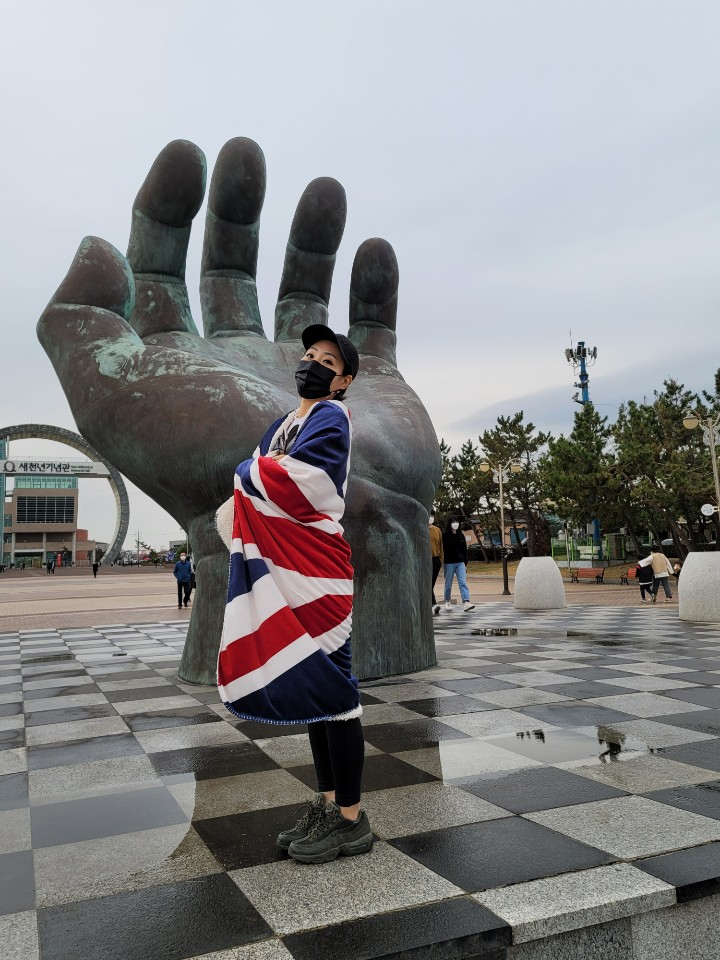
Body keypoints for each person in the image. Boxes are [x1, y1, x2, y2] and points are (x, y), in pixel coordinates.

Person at [216, 324, 372, 865]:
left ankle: (352, 818)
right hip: (288, 565)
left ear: (343, 379)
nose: (313, 362)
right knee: (314, 682)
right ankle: (330, 804)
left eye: (327, 360)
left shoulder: (332, 416)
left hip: (317, 570)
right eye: (309, 354)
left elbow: (302, 482)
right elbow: (263, 478)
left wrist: (246, 470)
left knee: (336, 687)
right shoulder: (282, 424)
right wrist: (254, 473)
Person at [441, 518, 475, 612]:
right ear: (450, 523)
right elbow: (442, 548)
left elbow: (464, 550)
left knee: (462, 582)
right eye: (453, 522)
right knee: (448, 584)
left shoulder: (461, 535)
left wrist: (465, 563)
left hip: (460, 562)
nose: (455, 524)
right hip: (449, 563)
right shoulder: (445, 535)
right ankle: (447, 601)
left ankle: (466, 602)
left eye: (457, 522)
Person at [429, 513, 443, 615]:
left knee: (430, 583)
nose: (431, 518)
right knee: (428, 584)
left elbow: (441, 545)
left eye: (432, 515)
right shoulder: (421, 528)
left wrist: (441, 559)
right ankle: (433, 604)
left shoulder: (437, 530)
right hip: (425, 560)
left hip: (435, 560)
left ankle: (432, 604)